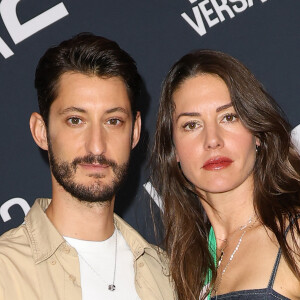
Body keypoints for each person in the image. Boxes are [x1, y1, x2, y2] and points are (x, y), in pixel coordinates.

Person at [0, 33, 175, 300]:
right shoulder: (6, 271)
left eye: (113, 121)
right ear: (41, 131)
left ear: (136, 131)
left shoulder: (166, 274)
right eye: (75, 120)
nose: (96, 146)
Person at [151, 49, 300, 300]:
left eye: (229, 117)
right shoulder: (186, 266)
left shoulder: (294, 234)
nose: (213, 140)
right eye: (192, 124)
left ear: (257, 133)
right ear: (174, 149)